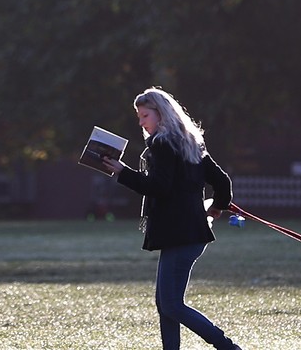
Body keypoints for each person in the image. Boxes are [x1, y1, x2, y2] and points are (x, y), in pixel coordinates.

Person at [102, 87, 244, 350]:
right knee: (165, 303)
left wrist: (123, 173)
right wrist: (217, 208)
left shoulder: (162, 144)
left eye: (145, 115)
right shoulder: (189, 142)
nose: (141, 122)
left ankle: (227, 346)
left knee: (171, 304)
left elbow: (158, 186)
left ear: (161, 114)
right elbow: (222, 181)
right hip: (189, 233)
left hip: (180, 234)